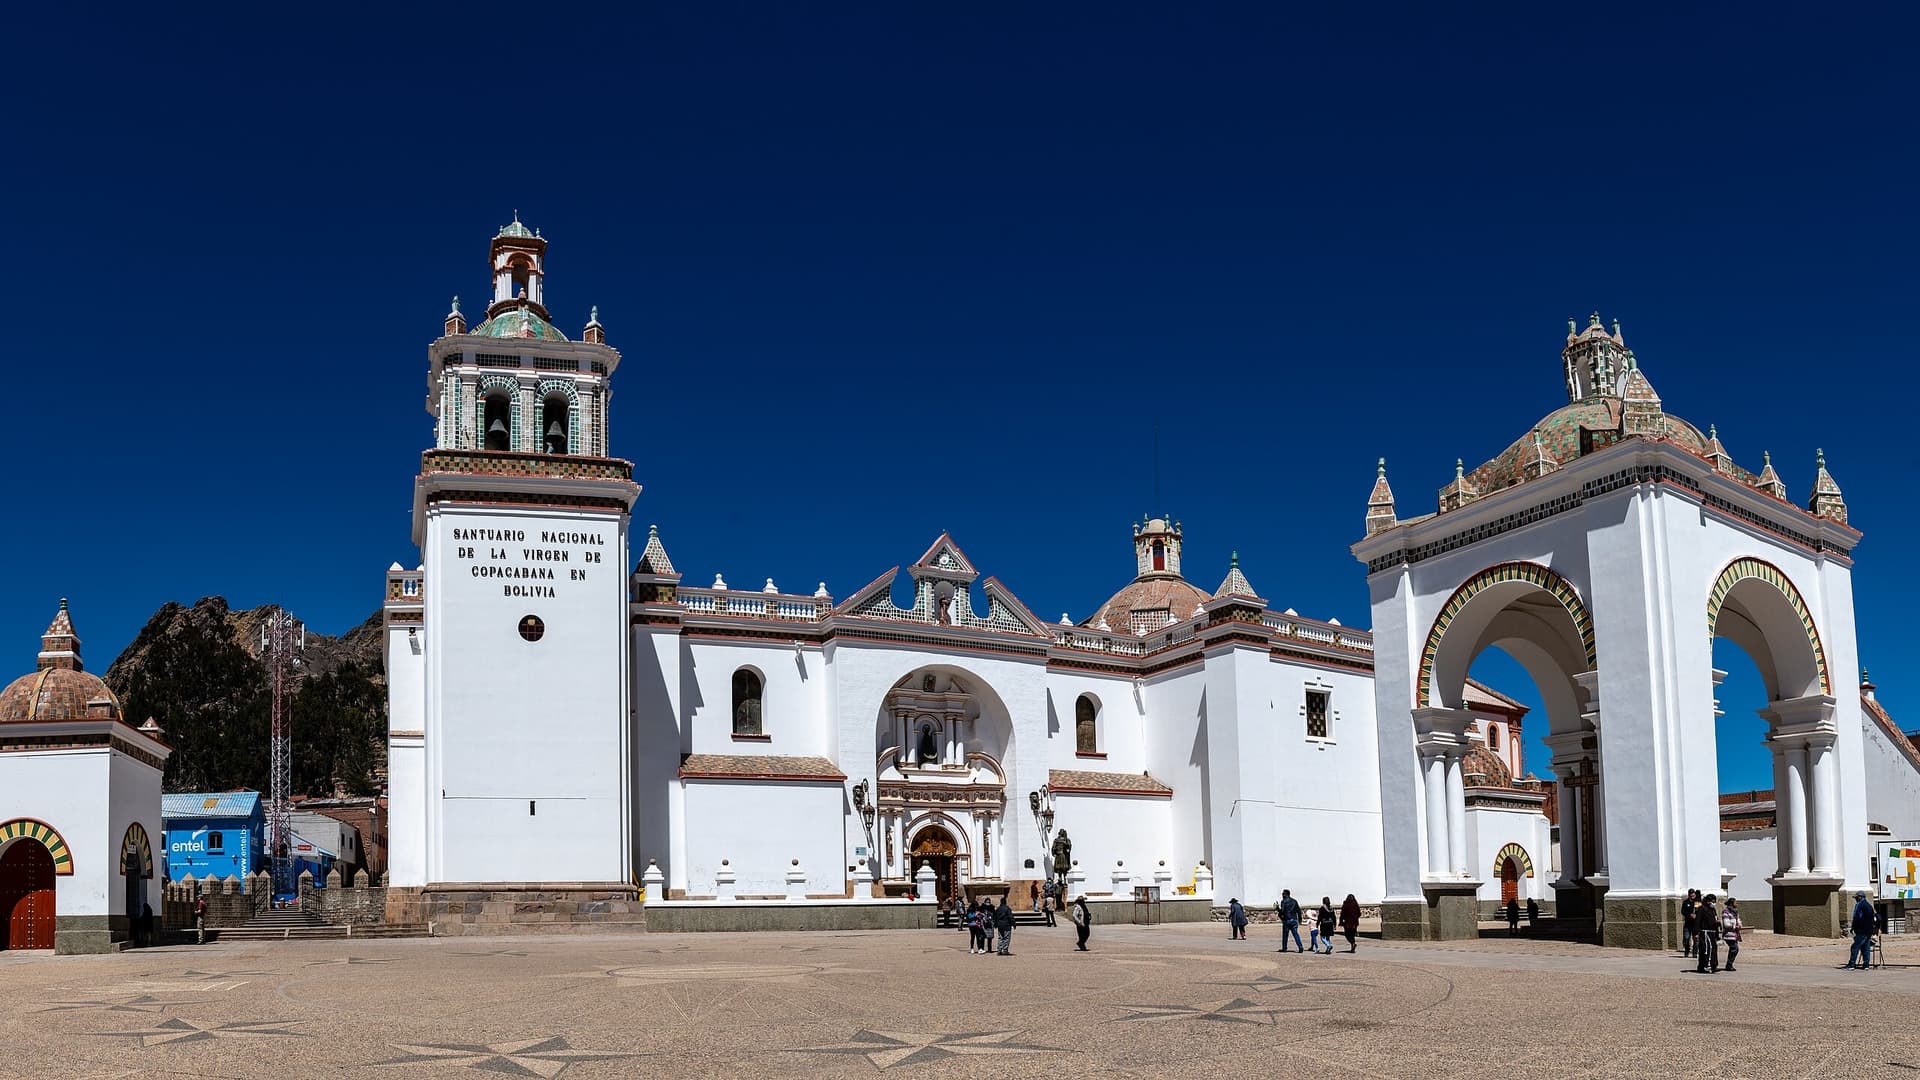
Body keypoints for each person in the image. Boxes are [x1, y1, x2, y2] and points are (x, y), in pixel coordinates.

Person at [1846, 890, 1877, 969]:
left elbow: (1858, 918)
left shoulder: (1861, 906)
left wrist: (1854, 927)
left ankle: (1852, 964)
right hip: (1868, 930)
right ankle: (1866, 964)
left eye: (1857, 897)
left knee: (1855, 947)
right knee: (1865, 947)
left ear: (1860, 897)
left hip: (1862, 930)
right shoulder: (1868, 906)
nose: (1856, 899)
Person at [1694, 892, 1720, 973]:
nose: (1713, 903)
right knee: (1707, 949)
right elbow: (1697, 921)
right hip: (1705, 932)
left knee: (1713, 949)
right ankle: (1705, 965)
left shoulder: (1712, 910)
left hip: (1712, 932)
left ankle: (1713, 965)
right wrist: (1696, 933)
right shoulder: (1702, 909)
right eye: (1712, 901)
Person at [1721, 897, 1742, 972]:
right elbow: (1726, 923)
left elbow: (1738, 920)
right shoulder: (1725, 912)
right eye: (1735, 902)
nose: (1737, 904)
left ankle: (1729, 964)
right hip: (1729, 934)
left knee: (1734, 949)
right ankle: (1729, 964)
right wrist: (1734, 926)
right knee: (1734, 948)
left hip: (1735, 934)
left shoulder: (1736, 912)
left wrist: (1739, 924)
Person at [1681, 889, 1698, 957]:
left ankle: (1695, 953)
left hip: (1695, 924)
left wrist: (1696, 915)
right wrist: (1689, 915)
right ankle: (1687, 950)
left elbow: (1700, 910)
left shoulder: (1697, 902)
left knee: (1696, 939)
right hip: (1688, 924)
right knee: (1686, 938)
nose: (1692, 897)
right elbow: (1683, 911)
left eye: (1693, 896)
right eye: (1691, 896)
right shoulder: (1685, 902)